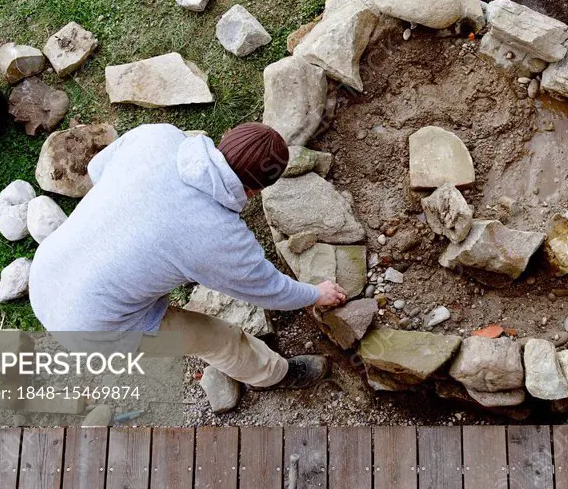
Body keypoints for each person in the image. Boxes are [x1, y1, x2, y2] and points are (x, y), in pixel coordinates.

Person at [29, 122, 347, 390]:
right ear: (254, 191)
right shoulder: (218, 237)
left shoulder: (159, 136)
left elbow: (98, 169)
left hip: (44, 274)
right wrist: (316, 294)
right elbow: (270, 290)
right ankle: (274, 375)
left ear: (227, 137)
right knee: (219, 339)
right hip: (92, 330)